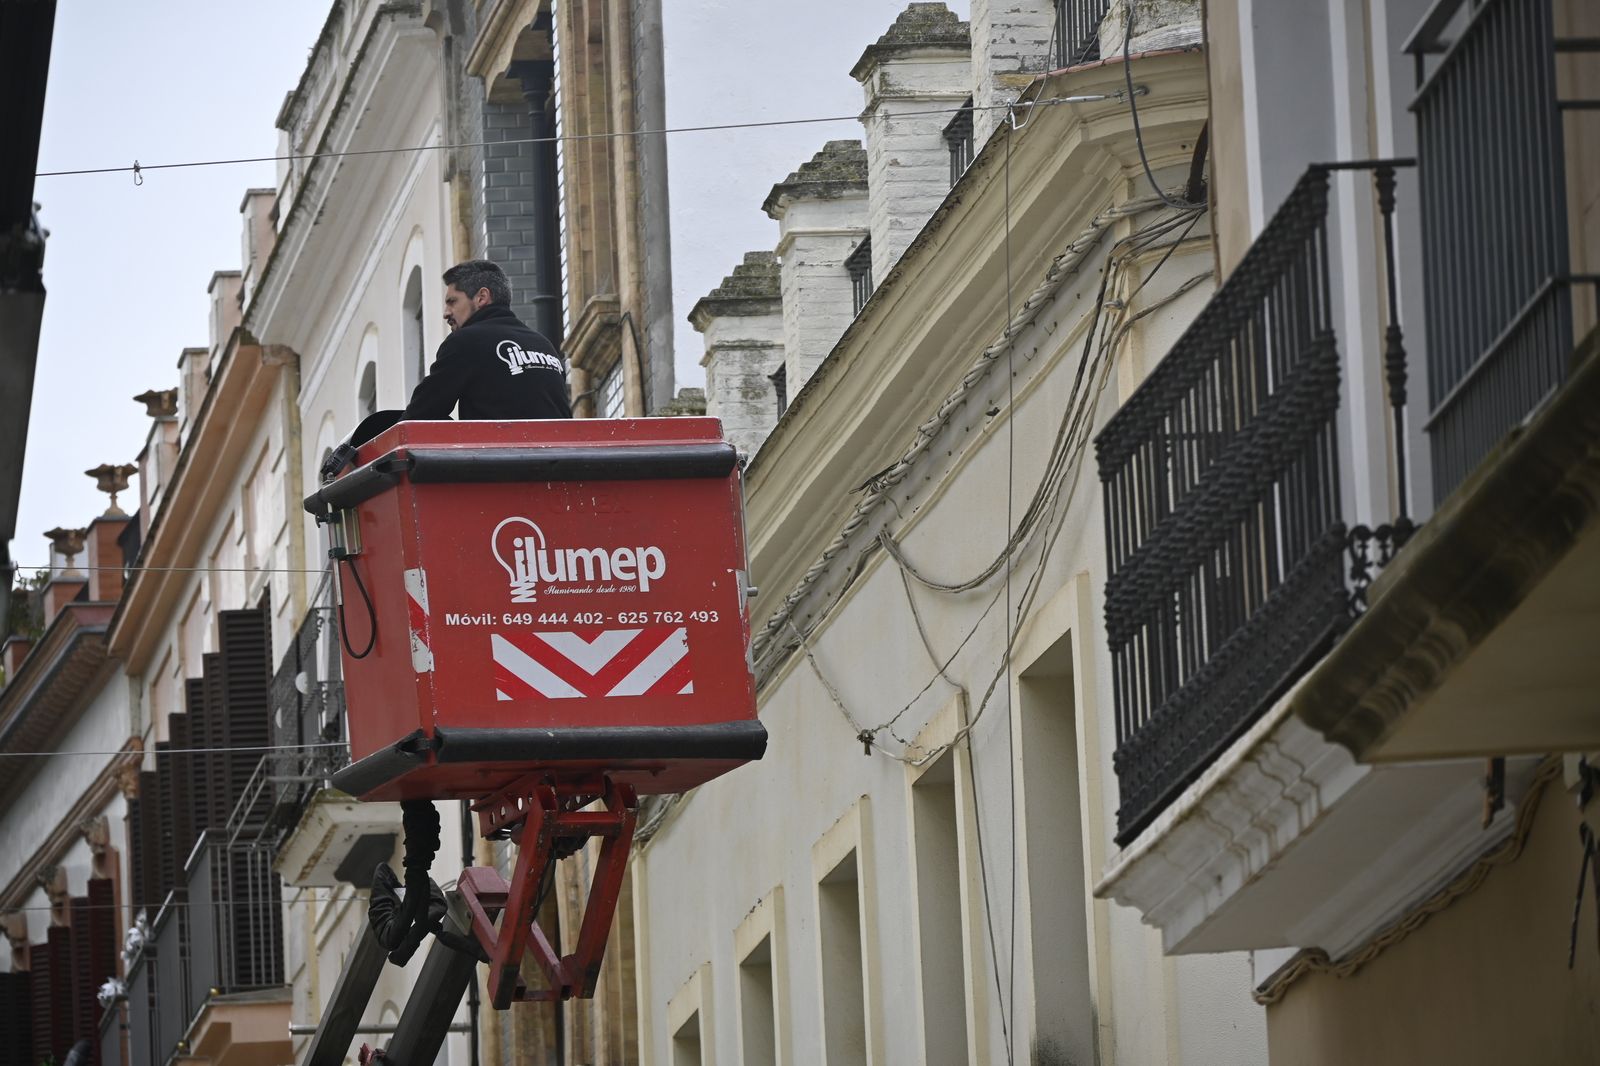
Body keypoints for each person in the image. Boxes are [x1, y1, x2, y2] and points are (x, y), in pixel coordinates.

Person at [403, 259, 573, 420]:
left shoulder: (465, 342)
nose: (446, 313)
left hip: (501, 450)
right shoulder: (544, 345)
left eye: (452, 302)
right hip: (561, 449)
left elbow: (421, 413)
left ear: (482, 297)